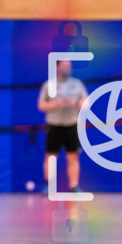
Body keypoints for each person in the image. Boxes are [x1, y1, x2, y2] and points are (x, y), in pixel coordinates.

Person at [37, 59, 88, 193]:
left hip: (71, 124)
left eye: (69, 66)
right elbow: (41, 105)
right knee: (51, 155)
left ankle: (74, 185)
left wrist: (75, 102)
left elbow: (86, 103)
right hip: (54, 125)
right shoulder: (49, 85)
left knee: (73, 156)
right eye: (64, 66)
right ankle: (49, 185)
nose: (67, 69)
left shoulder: (77, 84)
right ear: (57, 68)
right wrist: (55, 104)